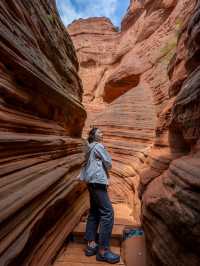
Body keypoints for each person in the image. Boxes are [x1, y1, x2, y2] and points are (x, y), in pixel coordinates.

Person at [79, 127, 120, 264]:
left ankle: (91, 246)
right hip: (98, 181)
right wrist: (106, 166)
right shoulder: (98, 146)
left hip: (91, 181)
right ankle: (103, 251)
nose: (102, 134)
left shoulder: (89, 147)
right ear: (94, 135)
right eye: (100, 132)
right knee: (108, 213)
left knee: (95, 212)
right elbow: (108, 162)